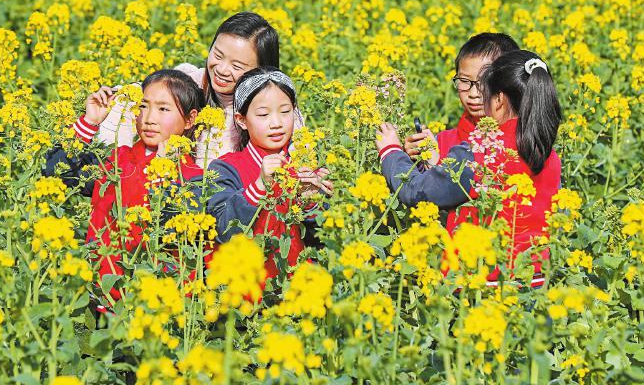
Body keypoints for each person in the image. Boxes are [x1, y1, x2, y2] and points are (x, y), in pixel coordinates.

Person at [376, 50, 562, 287]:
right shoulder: (547, 152)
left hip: (479, 285)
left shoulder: (481, 150)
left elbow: (417, 190)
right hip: (535, 282)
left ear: (499, 99)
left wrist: (391, 151)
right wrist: (438, 164)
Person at [45, 69, 204, 299]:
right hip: (101, 297)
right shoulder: (115, 160)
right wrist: (90, 122)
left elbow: (167, 232)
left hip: (155, 305)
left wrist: (161, 172)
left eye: (163, 109)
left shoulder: (192, 178)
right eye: (143, 106)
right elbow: (57, 172)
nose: (149, 118)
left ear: (190, 119)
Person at [96, 12, 303, 167]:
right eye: (218, 55)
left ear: (261, 70)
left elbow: (301, 157)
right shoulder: (192, 82)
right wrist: (119, 170)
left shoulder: (279, 110)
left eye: (237, 66)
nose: (222, 70)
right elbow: (138, 98)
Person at [203, 67, 333, 280]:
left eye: (285, 111)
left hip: (299, 286)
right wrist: (259, 186)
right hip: (244, 288)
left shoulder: (307, 167)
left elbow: (325, 241)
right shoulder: (225, 168)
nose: (277, 123)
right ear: (241, 120)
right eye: (263, 114)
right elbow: (223, 231)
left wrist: (312, 203)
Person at [404, 32, 519, 167]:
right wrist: (414, 160)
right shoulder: (442, 142)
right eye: (464, 81)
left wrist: (436, 165)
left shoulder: (524, 143)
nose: (474, 93)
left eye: (485, 82)